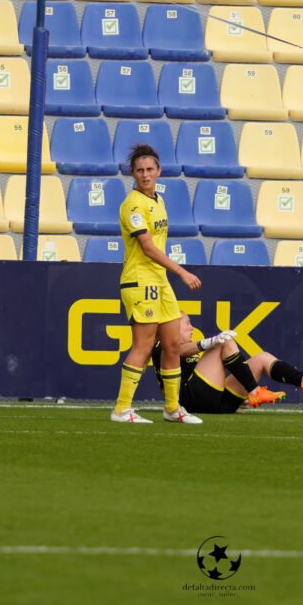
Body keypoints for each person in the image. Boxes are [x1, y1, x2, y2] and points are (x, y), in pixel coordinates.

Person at [111, 144, 202, 424]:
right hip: (140, 280)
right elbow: (148, 248)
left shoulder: (158, 200)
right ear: (133, 174)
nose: (145, 174)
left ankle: (172, 408)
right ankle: (121, 409)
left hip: (159, 281)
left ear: (159, 171)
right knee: (144, 345)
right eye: (140, 170)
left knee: (173, 344)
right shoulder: (133, 205)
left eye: (150, 169)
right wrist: (182, 272)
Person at [150, 313, 303, 415]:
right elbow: (178, 351)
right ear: (172, 327)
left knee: (262, 358)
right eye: (187, 324)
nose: (191, 328)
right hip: (188, 401)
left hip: (215, 402)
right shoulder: (162, 344)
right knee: (223, 342)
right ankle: (254, 391)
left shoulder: (191, 351)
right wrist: (208, 342)